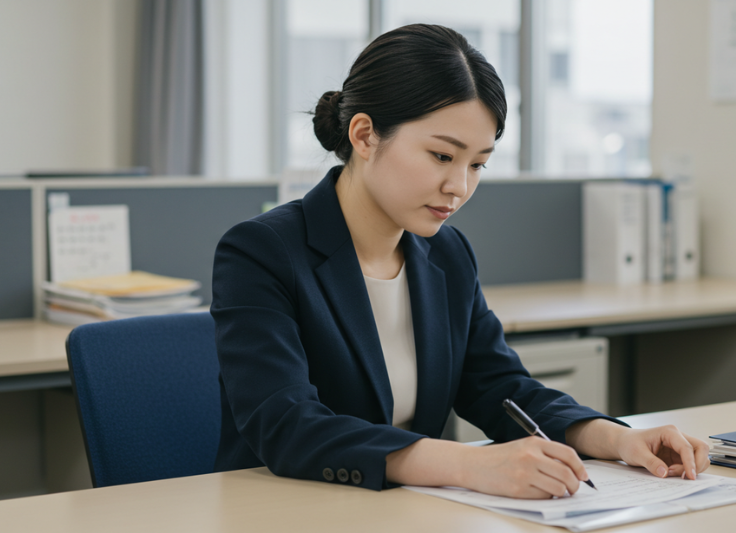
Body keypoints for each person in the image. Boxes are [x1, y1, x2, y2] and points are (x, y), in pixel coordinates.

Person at [211, 24, 709, 498]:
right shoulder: (262, 251)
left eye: (478, 164)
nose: (460, 187)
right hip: (289, 510)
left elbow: (499, 386)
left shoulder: (446, 253)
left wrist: (616, 439)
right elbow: (286, 424)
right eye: (442, 157)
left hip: (406, 511)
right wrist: (468, 465)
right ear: (364, 136)